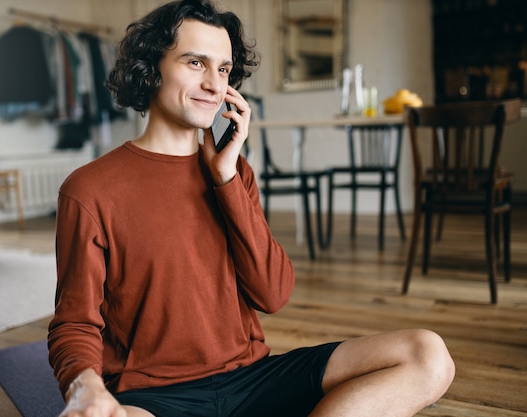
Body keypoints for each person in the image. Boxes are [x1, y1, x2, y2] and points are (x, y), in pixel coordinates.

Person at [47, 1, 455, 416]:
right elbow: (75, 322)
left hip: (253, 381)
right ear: (151, 69)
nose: (213, 84)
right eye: (195, 63)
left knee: (427, 355)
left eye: (223, 69)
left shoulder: (234, 172)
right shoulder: (89, 190)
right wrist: (87, 391)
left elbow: (273, 293)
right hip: (155, 396)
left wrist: (226, 179)